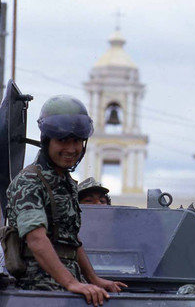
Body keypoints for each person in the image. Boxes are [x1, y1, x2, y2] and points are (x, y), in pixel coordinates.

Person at [5, 95, 126, 306]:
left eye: (77, 141)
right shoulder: (29, 182)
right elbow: (36, 239)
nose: (71, 149)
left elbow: (71, 240)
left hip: (68, 284)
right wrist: (72, 284)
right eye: (62, 140)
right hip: (39, 290)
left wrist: (93, 279)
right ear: (46, 141)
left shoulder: (67, 182)